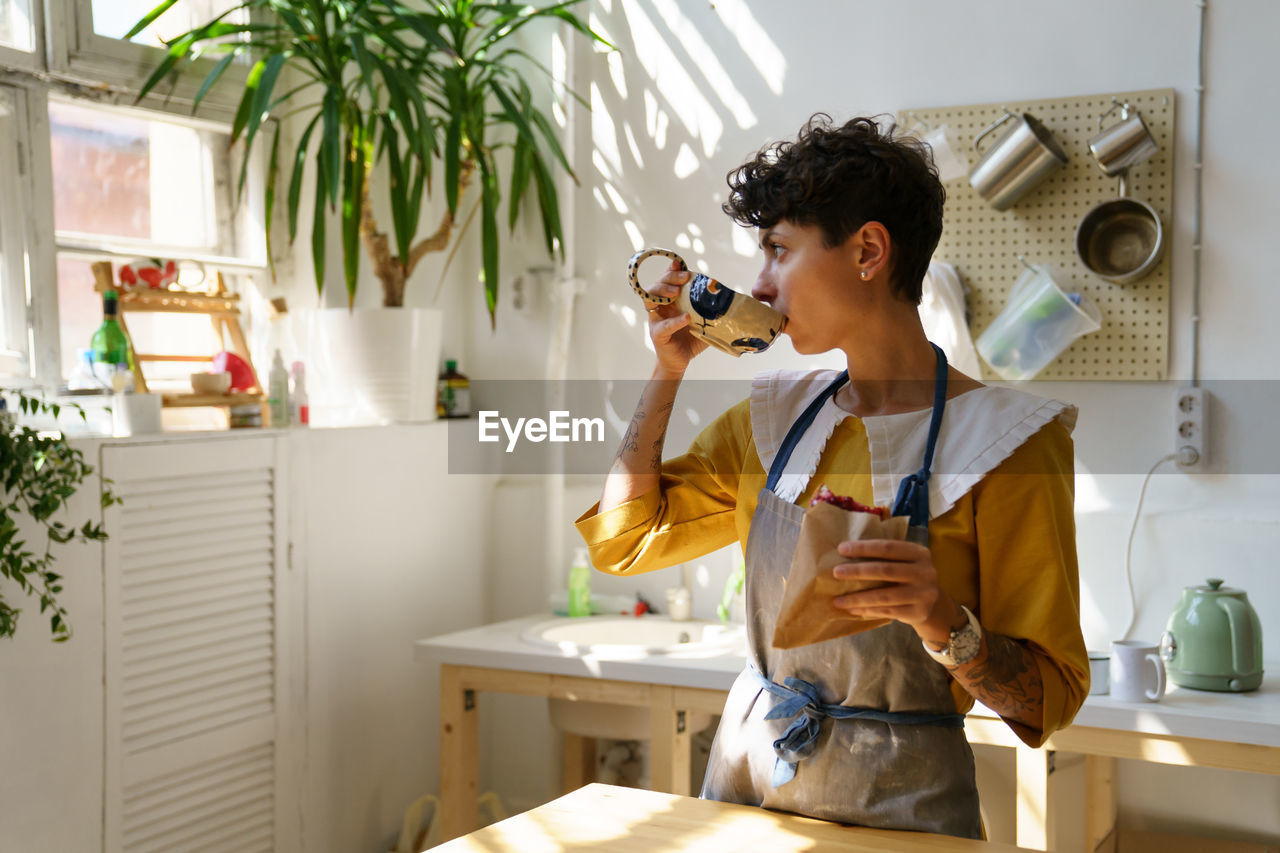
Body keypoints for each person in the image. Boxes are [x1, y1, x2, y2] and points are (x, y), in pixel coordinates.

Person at [575, 114, 1088, 839]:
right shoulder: (771, 422)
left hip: (902, 813)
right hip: (743, 798)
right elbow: (624, 541)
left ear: (868, 251)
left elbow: (1046, 701)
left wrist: (940, 618)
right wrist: (667, 371)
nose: (760, 282)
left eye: (778, 250)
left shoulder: (1009, 445)